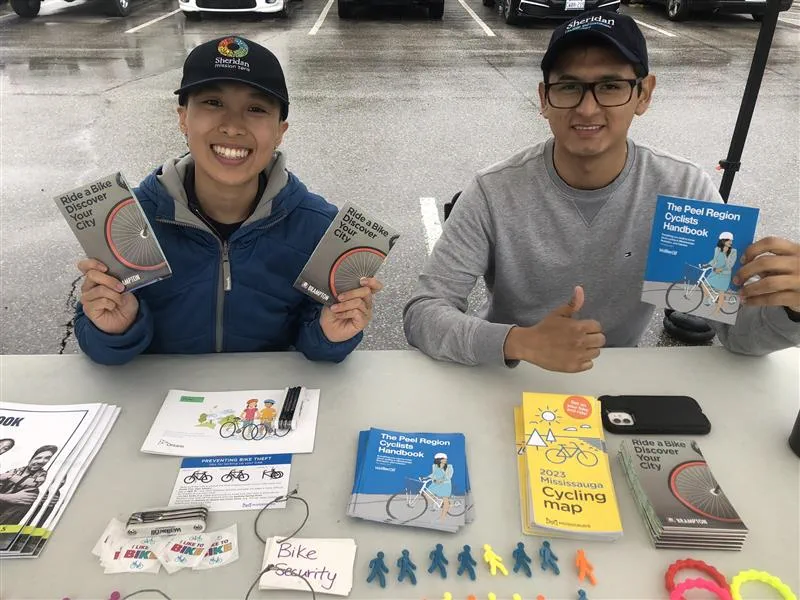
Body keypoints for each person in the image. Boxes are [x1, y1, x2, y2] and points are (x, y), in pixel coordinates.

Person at [402, 11, 800, 372]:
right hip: (507, 373)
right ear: (544, 99)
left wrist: (793, 310)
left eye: (610, 86)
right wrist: (518, 342)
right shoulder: (494, 190)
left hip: (617, 382)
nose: (588, 109)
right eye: (569, 87)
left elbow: (739, 336)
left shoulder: (682, 191)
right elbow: (425, 311)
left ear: (644, 94)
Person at [74, 36, 382, 366]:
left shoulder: (319, 227)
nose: (233, 126)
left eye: (256, 109)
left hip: (265, 405)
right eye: (212, 103)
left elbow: (313, 346)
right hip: (157, 405)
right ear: (183, 118)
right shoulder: (131, 220)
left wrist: (330, 334)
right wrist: (114, 330)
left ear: (280, 130)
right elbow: (101, 347)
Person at [0, 445, 57, 525]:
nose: (42, 461)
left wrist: (10, 476)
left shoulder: (42, 474)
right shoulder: (15, 470)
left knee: (32, 492)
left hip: (13, 509)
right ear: (31, 458)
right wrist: (9, 497)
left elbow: (33, 483)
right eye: (38, 458)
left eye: (47, 458)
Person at [704, 232, 737, 311]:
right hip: (715, 271)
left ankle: (717, 311)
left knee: (721, 292)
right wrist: (707, 265)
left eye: (731, 241)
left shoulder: (733, 251)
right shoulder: (717, 249)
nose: (731, 243)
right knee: (704, 284)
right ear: (723, 240)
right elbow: (714, 260)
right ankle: (711, 298)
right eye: (729, 241)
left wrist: (725, 254)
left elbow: (730, 265)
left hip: (725, 274)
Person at [426, 452, 453, 520]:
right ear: (439, 460)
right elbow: (433, 474)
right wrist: (426, 477)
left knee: (445, 500)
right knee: (426, 494)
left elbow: (449, 476)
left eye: (446, 458)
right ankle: (437, 502)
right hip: (436, 483)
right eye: (444, 458)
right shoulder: (434, 466)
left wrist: (441, 480)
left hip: (445, 484)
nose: (446, 460)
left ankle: (442, 517)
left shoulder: (449, 466)